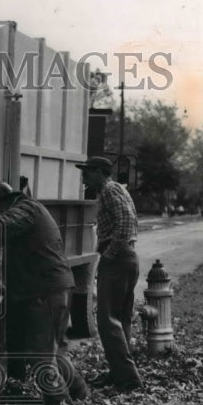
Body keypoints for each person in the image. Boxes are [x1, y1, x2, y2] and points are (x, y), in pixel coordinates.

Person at [0, 181, 87, 405]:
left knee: (40, 356)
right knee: (52, 350)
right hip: (53, 288)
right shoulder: (29, 211)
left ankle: (59, 404)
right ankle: (79, 391)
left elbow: (2, 225)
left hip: (43, 291)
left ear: (2, 203)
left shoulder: (26, 209)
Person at [76, 156, 144, 391]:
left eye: (88, 171)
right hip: (127, 258)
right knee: (121, 317)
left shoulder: (108, 190)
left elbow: (125, 224)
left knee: (107, 320)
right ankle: (119, 372)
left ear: (100, 172)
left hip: (117, 258)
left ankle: (127, 378)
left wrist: (109, 254)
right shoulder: (115, 190)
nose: (84, 176)